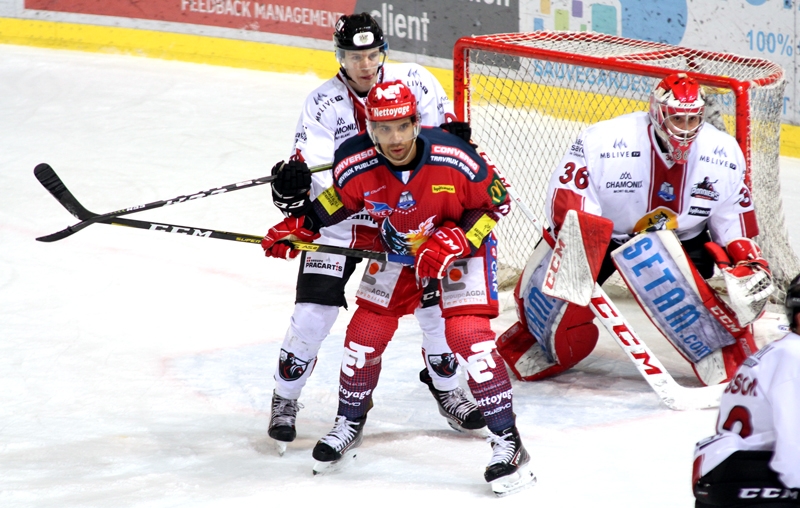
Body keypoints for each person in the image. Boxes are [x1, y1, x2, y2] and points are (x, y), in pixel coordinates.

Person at [261, 81, 535, 496]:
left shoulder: (455, 157)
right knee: (362, 338)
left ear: (415, 123)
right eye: (383, 129)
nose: (394, 139)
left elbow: (496, 204)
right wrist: (303, 225)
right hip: (399, 250)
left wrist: (457, 239)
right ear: (370, 128)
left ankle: (509, 444)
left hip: (463, 248)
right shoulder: (355, 160)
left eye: (402, 127)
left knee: (469, 340)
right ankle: (350, 421)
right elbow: (340, 199)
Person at [263, 12, 484, 454]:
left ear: (383, 52)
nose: (364, 65)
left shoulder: (416, 83)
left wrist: (458, 144)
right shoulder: (323, 104)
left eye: (371, 54)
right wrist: (294, 200)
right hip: (347, 219)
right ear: (339, 56)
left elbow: (441, 152)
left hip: (409, 221)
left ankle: (447, 387)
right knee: (313, 314)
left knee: (435, 313)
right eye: (353, 56)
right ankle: (284, 399)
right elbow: (324, 184)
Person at [498, 73, 774, 386]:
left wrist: (747, 261)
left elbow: (731, 215)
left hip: (678, 241)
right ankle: (536, 337)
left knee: (711, 333)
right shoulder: (604, 140)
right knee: (555, 317)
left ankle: (721, 347)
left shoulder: (722, 152)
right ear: (657, 113)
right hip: (600, 237)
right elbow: (569, 199)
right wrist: (577, 250)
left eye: (692, 119)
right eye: (678, 119)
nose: (686, 129)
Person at [692, 273, 800, 508]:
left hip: (728, 476)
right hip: (750, 481)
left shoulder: (782, 350)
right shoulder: (794, 359)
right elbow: (793, 451)